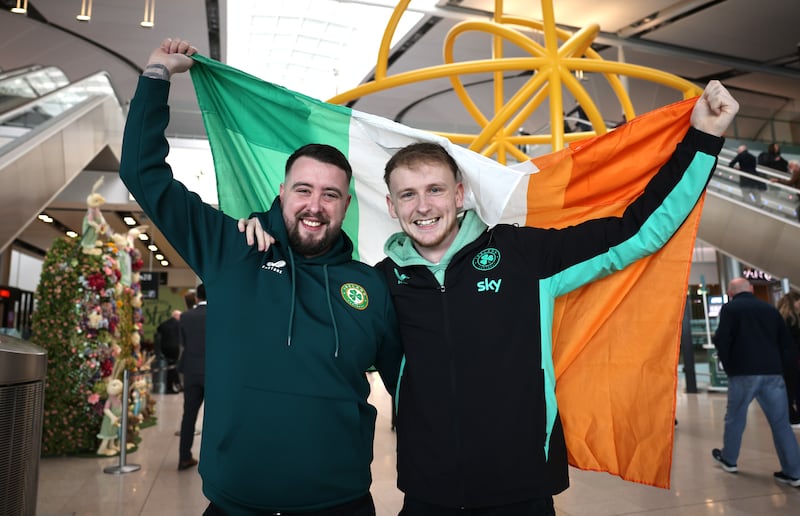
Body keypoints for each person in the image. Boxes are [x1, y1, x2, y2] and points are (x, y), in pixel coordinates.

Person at [243, 80, 740, 513]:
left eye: (435, 190)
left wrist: (704, 137)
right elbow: (306, 327)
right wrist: (265, 231)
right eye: (408, 196)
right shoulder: (379, 282)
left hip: (521, 489)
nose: (424, 207)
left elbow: (638, 233)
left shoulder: (523, 254)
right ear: (392, 207)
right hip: (427, 491)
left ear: (460, 195)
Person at [118, 38, 402, 515]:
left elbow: (411, 389)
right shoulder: (233, 248)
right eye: (304, 190)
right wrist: (156, 76)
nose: (315, 205)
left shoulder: (371, 286)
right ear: (282, 192)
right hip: (236, 504)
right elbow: (143, 175)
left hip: (341, 503)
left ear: (346, 206)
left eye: (331, 195)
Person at [711, 278, 800, 487]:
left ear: (731, 293)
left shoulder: (730, 309)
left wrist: (729, 366)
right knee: (781, 424)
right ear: (751, 289)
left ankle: (730, 459)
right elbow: (786, 344)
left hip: (743, 373)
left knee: (735, 418)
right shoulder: (770, 310)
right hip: (773, 373)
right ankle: (793, 472)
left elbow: (723, 339)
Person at [177, 283, 207, 471]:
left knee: (188, 415)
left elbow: (183, 343)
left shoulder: (185, 317)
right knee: (214, 417)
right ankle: (212, 460)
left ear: (196, 298)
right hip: (213, 373)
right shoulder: (219, 315)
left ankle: (184, 457)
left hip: (190, 371)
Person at [776, 291, 800, 426]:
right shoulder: (793, 321)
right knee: (792, 388)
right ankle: (792, 416)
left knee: (788, 389)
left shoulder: (779, 319)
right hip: (792, 359)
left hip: (784, 359)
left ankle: (790, 415)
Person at [155, 309, 182, 393]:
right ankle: (171, 387)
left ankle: (177, 384)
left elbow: (158, 329)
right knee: (172, 367)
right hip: (174, 348)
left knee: (170, 366)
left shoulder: (164, 323)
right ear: (176, 316)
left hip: (164, 349)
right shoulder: (179, 324)